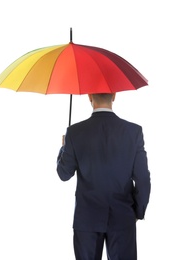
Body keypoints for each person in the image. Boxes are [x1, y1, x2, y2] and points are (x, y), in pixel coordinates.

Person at [57, 93, 151, 260]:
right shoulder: (133, 132)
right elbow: (143, 179)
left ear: (89, 97)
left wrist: (63, 148)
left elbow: (64, 174)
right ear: (114, 96)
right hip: (123, 216)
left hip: (87, 219)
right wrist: (138, 212)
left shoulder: (75, 132)